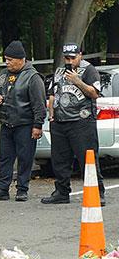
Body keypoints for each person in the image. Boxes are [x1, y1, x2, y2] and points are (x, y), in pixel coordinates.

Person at [42, 42, 105, 205]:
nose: (69, 61)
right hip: (60, 122)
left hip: (81, 122)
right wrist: (51, 115)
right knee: (60, 160)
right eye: (66, 57)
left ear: (80, 55)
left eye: (72, 57)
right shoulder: (59, 71)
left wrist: (77, 81)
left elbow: (94, 93)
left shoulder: (89, 70)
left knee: (88, 158)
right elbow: (52, 93)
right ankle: (61, 192)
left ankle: (97, 193)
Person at [0, 41, 47, 202]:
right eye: (6, 59)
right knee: (4, 158)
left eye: (10, 59)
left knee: (25, 158)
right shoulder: (4, 74)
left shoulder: (33, 77)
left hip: (25, 124)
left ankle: (22, 189)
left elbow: (39, 104)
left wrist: (37, 125)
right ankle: (2, 188)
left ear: (21, 59)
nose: (7, 63)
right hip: (7, 123)